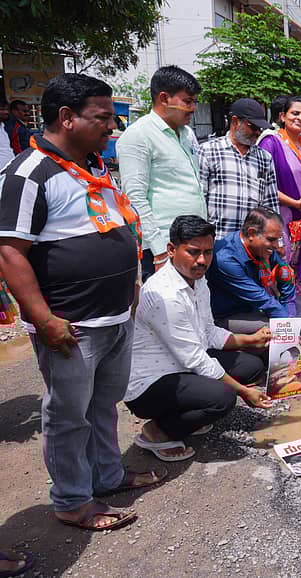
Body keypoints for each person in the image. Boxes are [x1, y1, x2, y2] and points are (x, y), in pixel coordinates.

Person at [0, 73, 163, 531]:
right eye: (103, 117)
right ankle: (72, 500)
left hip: (114, 316)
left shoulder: (94, 166)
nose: (112, 127)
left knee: (103, 404)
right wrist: (44, 319)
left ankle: (107, 477)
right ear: (67, 118)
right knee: (68, 416)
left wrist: (129, 287)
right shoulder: (28, 173)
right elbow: (10, 252)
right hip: (70, 325)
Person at [126, 216, 273, 462]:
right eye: (193, 252)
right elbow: (195, 358)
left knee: (252, 365)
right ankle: (157, 432)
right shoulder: (165, 294)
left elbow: (208, 331)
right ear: (171, 250)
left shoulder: (197, 280)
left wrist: (249, 341)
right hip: (149, 384)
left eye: (208, 252)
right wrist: (242, 392)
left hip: (182, 364)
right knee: (224, 397)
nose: (202, 260)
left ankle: (189, 411)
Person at [117, 66, 204, 280]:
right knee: (166, 309)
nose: (193, 108)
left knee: (196, 307)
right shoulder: (138, 136)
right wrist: (159, 250)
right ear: (164, 98)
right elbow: (134, 197)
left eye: (195, 102)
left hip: (194, 242)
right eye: (187, 101)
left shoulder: (186, 134)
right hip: (165, 247)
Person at [258, 96, 301, 314]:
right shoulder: (271, 143)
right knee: (279, 279)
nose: (300, 118)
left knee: (300, 284)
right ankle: (279, 333)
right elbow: (263, 185)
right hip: (281, 225)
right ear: (282, 116)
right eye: (295, 113)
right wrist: (296, 203)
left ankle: (296, 329)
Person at [199, 98, 279, 239]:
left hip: (252, 244)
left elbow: (270, 205)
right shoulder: (209, 151)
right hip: (218, 240)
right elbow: (200, 200)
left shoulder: (264, 158)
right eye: (253, 127)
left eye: (260, 129)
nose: (258, 133)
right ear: (235, 121)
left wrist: (276, 242)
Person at [207, 208, 296, 332]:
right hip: (224, 317)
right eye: (271, 240)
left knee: (288, 327)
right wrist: (289, 326)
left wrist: (291, 318)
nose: (276, 246)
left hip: (252, 309)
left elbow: (286, 278)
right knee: (276, 331)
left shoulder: (265, 248)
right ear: (251, 233)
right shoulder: (225, 259)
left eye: (278, 239)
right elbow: (264, 300)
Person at [0, 102, 14, 169]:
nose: (6, 112)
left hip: (8, 170)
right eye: (2, 109)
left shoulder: (3, 127)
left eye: (7, 109)